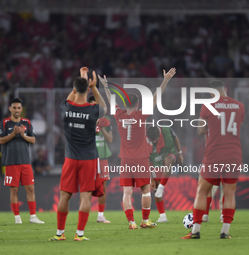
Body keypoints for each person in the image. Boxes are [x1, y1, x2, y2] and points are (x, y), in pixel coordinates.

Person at [99, 68, 176, 229]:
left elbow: (109, 99)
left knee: (126, 193)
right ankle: (145, 220)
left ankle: (131, 222)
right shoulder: (141, 115)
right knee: (146, 191)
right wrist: (166, 80)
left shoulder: (119, 115)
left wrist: (105, 86)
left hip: (125, 159)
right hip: (141, 158)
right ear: (138, 104)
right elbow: (156, 98)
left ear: (125, 104)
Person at [49, 67, 107, 241]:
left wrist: (81, 79)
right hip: (88, 159)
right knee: (85, 196)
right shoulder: (93, 111)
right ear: (87, 90)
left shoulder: (66, 108)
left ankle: (60, 234)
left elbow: (71, 98)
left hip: (70, 159)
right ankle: (79, 234)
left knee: (64, 196)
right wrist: (94, 88)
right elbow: (103, 107)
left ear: (74, 90)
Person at [182, 80, 245, 239]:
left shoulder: (208, 105)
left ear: (212, 93)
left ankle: (195, 231)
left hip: (214, 154)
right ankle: (225, 232)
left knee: (202, 190)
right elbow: (239, 124)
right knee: (230, 193)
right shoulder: (239, 105)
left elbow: (201, 130)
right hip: (234, 154)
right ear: (225, 89)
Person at [0, 98, 44, 224]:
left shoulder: (27, 123)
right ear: (10, 109)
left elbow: (33, 140)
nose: (17, 110)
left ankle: (33, 216)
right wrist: (13, 134)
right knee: (14, 190)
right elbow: (1, 140)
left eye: (19, 108)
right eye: (14, 108)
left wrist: (23, 135)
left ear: (21, 109)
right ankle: (17, 217)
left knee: (31, 188)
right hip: (11, 161)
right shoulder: (5, 123)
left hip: (25, 161)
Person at [146, 125, 183, 223]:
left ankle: (162, 187)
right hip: (155, 160)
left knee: (169, 159)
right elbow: (147, 160)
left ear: (159, 134)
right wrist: (152, 178)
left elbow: (176, 138)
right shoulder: (144, 141)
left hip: (168, 153)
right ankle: (163, 217)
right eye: (152, 140)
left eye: (156, 139)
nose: (154, 142)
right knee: (155, 188)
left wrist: (179, 153)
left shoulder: (167, 130)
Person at [88, 95, 113, 224]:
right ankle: (84, 214)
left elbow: (110, 140)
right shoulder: (86, 120)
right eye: (91, 104)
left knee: (103, 186)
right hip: (90, 157)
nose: (94, 107)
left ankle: (100, 216)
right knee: (87, 186)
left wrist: (102, 127)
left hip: (102, 156)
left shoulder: (106, 120)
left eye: (96, 104)